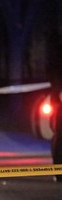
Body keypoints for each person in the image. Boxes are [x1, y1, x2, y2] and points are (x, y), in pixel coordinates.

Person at [47, 34, 62, 183]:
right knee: (60, 135)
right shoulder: (57, 53)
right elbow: (54, 75)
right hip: (59, 103)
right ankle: (58, 172)